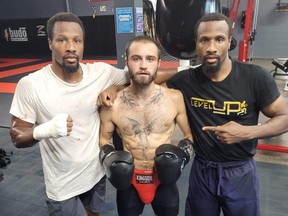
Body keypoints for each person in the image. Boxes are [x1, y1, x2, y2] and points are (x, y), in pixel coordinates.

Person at [164, 13, 288, 216]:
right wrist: (115, 88)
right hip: (202, 172)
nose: (211, 47)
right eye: (204, 40)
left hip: (240, 173)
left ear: (229, 42)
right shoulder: (186, 80)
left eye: (219, 39)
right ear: (196, 44)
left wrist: (247, 132)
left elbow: (285, 118)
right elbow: (146, 81)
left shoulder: (255, 77)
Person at [9, 12, 128, 216]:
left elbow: (133, 78)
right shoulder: (31, 85)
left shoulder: (100, 73)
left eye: (77, 40)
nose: (71, 46)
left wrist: (113, 89)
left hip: (96, 174)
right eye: (62, 39)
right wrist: (44, 131)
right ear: (50, 43)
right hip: (62, 186)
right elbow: (17, 137)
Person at [98, 35, 194, 216]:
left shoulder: (174, 98)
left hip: (164, 179)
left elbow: (189, 135)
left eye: (150, 59)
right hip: (129, 180)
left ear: (158, 63)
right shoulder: (113, 103)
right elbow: (104, 138)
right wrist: (108, 158)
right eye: (136, 58)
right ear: (127, 62)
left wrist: (182, 157)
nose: (143, 65)